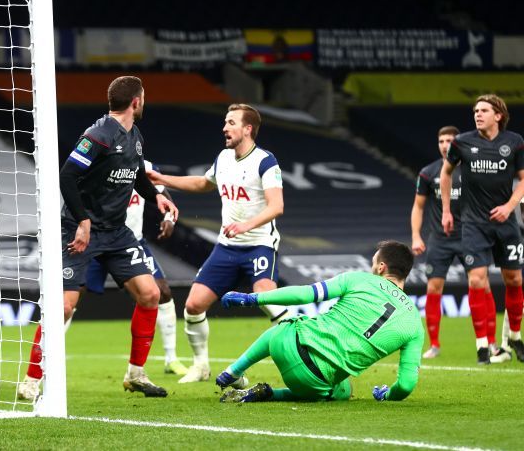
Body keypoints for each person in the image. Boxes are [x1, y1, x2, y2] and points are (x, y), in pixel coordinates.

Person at [17, 76, 178, 401]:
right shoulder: (98, 135)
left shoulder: (135, 136)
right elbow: (67, 176)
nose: (144, 102)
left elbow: (134, 178)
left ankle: (136, 374)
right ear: (136, 101)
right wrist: (83, 221)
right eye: (143, 97)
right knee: (63, 306)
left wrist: (156, 197)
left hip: (116, 233)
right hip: (78, 230)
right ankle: (32, 379)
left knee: (150, 294)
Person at [147, 103, 288, 384]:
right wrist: (163, 179)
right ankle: (201, 366)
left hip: (259, 244)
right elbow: (203, 184)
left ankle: (304, 353)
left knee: (268, 300)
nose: (225, 127)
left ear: (248, 129)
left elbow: (277, 206)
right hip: (226, 247)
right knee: (194, 305)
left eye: (232, 122)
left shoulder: (265, 161)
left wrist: (246, 225)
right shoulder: (223, 158)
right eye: (225, 122)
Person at [216, 240, 423, 403]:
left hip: (285, 344)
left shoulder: (358, 279)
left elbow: (305, 295)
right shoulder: (414, 324)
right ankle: (272, 394)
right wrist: (388, 395)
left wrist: (253, 298)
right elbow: (406, 385)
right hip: (313, 381)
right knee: (343, 390)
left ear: (381, 267)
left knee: (287, 326)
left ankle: (233, 371)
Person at [441, 94, 524, 364]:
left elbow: (523, 179)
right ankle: (482, 347)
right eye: (476, 110)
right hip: (474, 224)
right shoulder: (462, 142)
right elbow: (446, 173)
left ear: (498, 115)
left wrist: (510, 206)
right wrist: (445, 210)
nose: (478, 114)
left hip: (507, 223)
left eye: (484, 110)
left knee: (514, 280)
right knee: (476, 279)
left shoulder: (514, 143)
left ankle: (514, 336)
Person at [84, 160, 188, 376]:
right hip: (96, 239)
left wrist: (168, 218)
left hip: (131, 243)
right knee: (69, 301)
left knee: (163, 292)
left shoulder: (145, 166)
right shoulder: (99, 160)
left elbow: (163, 195)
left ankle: (171, 359)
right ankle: (46, 360)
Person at [411, 126, 479, 358]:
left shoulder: (472, 168)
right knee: (433, 288)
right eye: (441, 140)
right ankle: (435, 345)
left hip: (469, 235)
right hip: (439, 239)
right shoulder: (428, 173)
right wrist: (416, 236)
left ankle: (486, 343)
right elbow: (418, 206)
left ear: (457, 143)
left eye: (450, 140)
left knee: (479, 285)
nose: (445, 144)